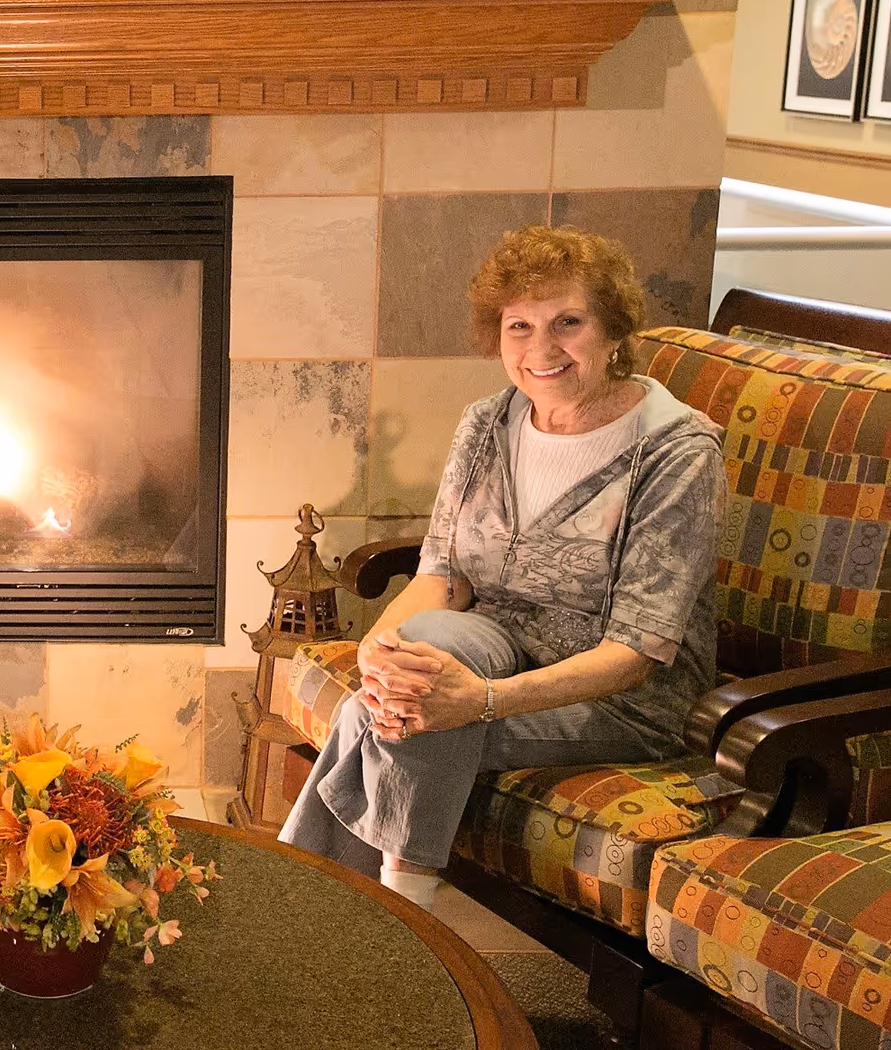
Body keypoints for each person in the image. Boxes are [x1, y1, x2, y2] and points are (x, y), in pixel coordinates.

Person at [277, 226, 725, 909]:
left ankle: (380, 920)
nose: (541, 349)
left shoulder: (676, 453)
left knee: (415, 715)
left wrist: (475, 702)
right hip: (493, 641)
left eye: (568, 322)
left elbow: (635, 654)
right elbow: (444, 577)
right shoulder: (488, 423)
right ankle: (351, 923)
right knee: (415, 669)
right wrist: (379, 651)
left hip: (616, 695)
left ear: (613, 332)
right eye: (520, 326)